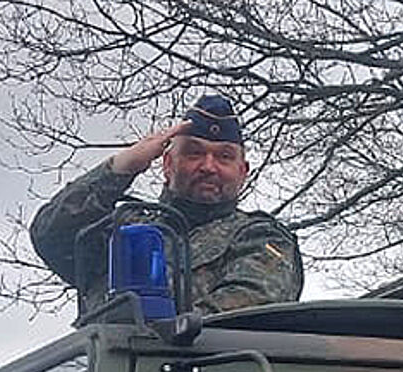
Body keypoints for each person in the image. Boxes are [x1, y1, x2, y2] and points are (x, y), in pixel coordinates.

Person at [30, 94, 303, 317]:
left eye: (223, 157)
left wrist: (155, 329)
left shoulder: (261, 238)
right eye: (194, 153)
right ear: (169, 164)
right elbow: (51, 235)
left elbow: (245, 311)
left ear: (242, 172)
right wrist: (119, 170)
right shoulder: (126, 229)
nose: (208, 167)